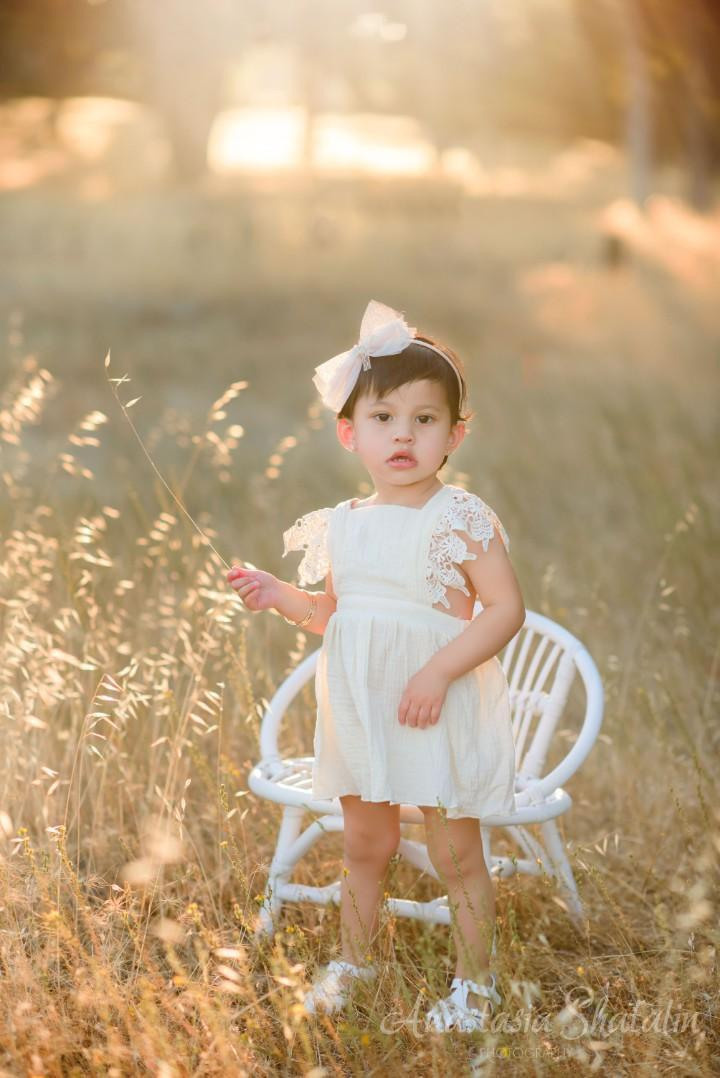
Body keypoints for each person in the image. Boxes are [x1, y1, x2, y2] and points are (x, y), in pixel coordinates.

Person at [226, 300, 525, 1033]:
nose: (404, 435)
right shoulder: (343, 525)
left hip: (435, 705)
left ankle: (474, 986)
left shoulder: (459, 517)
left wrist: (439, 671)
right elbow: (335, 616)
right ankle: (355, 964)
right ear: (349, 432)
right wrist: (280, 595)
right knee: (366, 843)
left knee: (455, 852)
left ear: (455, 434)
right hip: (363, 710)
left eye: (425, 420)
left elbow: (504, 610)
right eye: (384, 417)